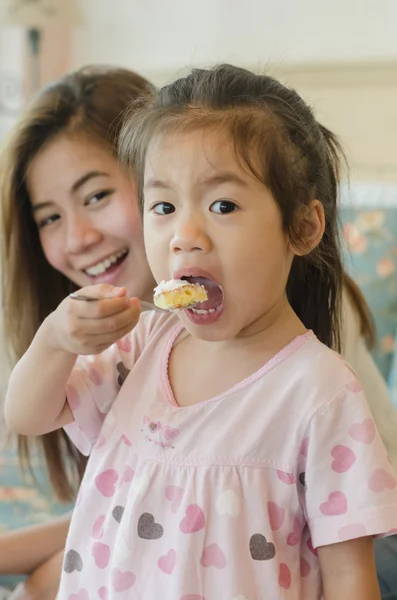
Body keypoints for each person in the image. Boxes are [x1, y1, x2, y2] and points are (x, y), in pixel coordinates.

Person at [4, 63, 397, 599]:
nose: (185, 235)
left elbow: (351, 576)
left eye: (223, 205)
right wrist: (54, 338)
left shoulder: (320, 390)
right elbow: (28, 413)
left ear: (303, 227)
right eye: (163, 206)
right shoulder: (141, 344)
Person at [0, 65, 156, 599]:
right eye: (49, 218)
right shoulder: (110, 337)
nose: (78, 240)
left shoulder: (265, 308)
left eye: (94, 196)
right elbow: (144, 507)